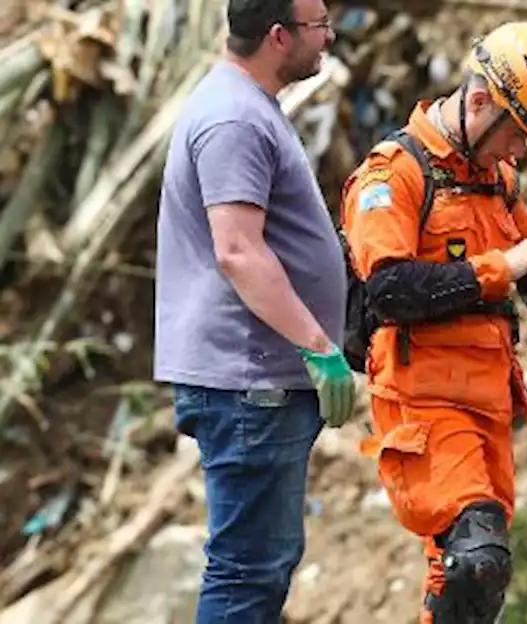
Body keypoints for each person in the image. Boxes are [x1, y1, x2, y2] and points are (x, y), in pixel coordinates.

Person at [338, 21, 527, 624]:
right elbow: (389, 288)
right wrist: (500, 266)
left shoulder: (495, 180)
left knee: (472, 574)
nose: (519, 152)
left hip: (487, 401)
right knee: (476, 558)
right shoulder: (394, 175)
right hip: (423, 401)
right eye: (517, 134)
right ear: (478, 102)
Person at [153, 0, 356, 622]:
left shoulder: (247, 107)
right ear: (278, 36)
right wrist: (318, 347)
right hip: (251, 382)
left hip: (258, 381)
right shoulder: (233, 119)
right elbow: (238, 250)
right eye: (319, 26)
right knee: (248, 569)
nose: (328, 39)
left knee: (261, 564)